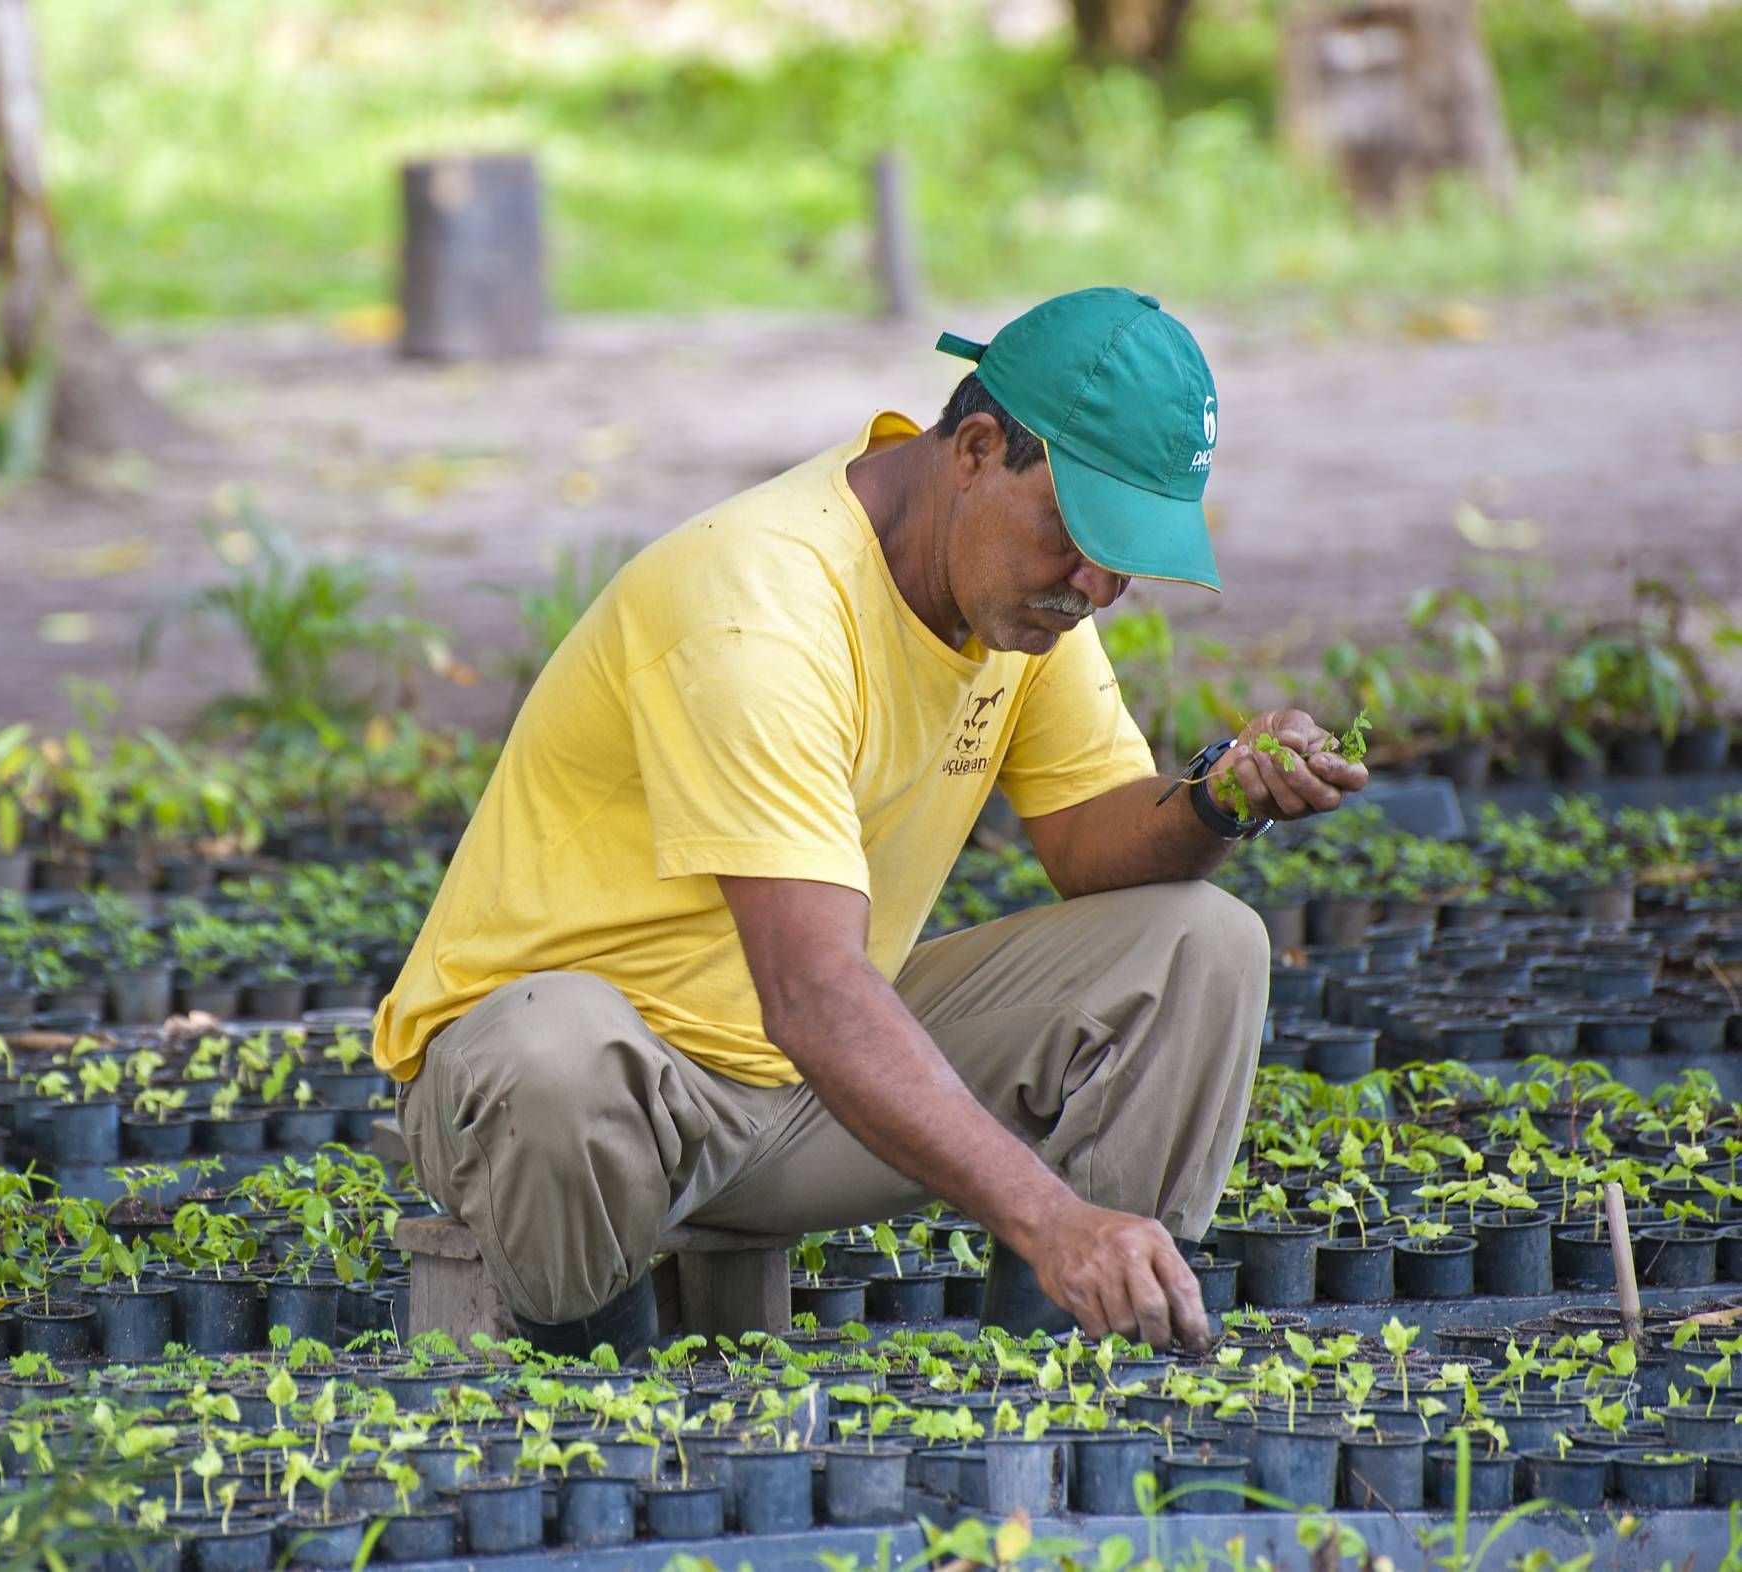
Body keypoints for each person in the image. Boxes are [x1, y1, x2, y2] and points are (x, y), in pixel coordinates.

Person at [372, 287, 1369, 1359]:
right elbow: (811, 992)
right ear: (977, 449)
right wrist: (1045, 1219)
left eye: (1124, 558)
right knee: (555, 1059)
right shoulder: (757, 608)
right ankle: (600, 1410)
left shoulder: (1018, 605)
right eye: (1081, 535)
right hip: (579, 1107)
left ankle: (1065, 1398)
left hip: (796, 1100)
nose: (1096, 585)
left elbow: (1090, 842)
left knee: (1202, 945)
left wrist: (1220, 797)